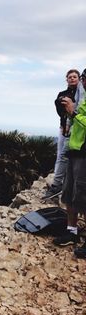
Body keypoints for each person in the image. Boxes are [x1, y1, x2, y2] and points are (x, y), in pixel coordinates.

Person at [57, 78, 86, 248]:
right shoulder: (81, 98)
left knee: (83, 195)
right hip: (75, 150)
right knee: (69, 193)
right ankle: (71, 231)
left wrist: (74, 112)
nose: (83, 82)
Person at [48, 69, 81, 200]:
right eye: (70, 77)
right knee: (61, 155)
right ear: (66, 79)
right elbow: (60, 108)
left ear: (79, 79)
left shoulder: (81, 94)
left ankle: (59, 184)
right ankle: (58, 183)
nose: (72, 79)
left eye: (75, 77)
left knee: (65, 156)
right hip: (64, 129)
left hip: (77, 129)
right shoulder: (63, 94)